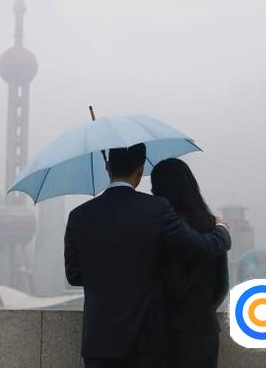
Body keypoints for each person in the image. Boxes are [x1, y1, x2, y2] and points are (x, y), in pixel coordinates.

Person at [64, 143, 231, 368]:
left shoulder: (78, 216)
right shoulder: (156, 209)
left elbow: (74, 276)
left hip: (99, 341)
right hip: (146, 343)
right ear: (141, 170)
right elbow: (200, 246)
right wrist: (222, 230)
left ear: (107, 167)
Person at [151, 158, 229, 368]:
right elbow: (221, 286)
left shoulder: (157, 228)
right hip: (203, 331)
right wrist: (202, 309)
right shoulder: (213, 226)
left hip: (161, 333)